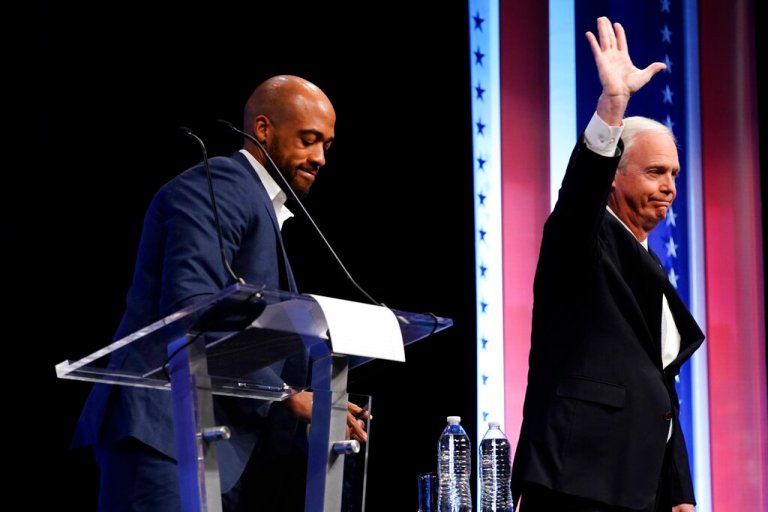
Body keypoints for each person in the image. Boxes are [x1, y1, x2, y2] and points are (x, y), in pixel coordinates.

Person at [73, 75, 369, 511]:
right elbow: (191, 311)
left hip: (211, 445)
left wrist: (326, 394)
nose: (320, 157)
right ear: (263, 129)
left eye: (326, 144)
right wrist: (288, 395)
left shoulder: (261, 209)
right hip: (165, 436)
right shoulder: (218, 185)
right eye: (308, 140)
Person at [511, 17, 704, 512]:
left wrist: (679, 492)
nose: (669, 187)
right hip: (575, 480)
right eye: (655, 171)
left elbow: (662, 390)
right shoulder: (581, 237)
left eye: (674, 175)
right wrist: (612, 107)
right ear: (615, 178)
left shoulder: (647, 264)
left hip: (639, 490)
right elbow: (579, 195)